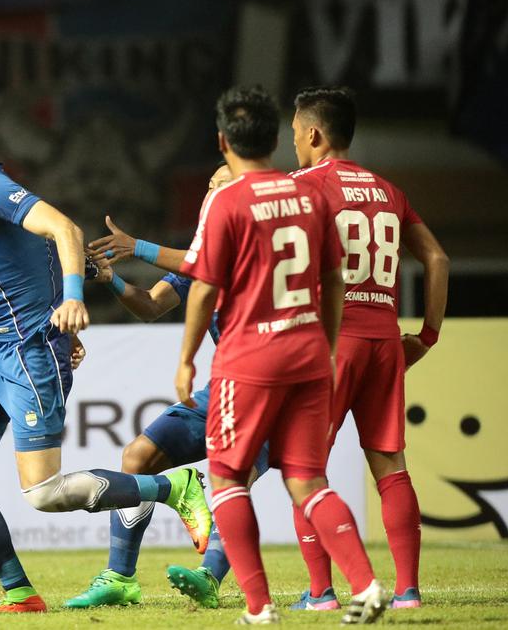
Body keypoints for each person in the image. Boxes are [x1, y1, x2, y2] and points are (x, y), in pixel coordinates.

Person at [0, 88, 212, 614]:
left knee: (44, 494)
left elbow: (63, 230)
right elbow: (34, 255)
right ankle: (21, 593)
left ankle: (173, 488)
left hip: (24, 354)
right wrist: (54, 303)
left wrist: (73, 302)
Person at [175, 86, 386, 625]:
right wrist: (329, 343)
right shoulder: (310, 195)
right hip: (311, 354)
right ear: (273, 138)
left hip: (250, 359)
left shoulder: (227, 200)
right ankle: (366, 586)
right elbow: (335, 278)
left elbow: (201, 288)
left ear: (223, 140)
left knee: (225, 477)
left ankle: (259, 606)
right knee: (309, 480)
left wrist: (186, 358)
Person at [65, 164, 268, 611]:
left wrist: (135, 245)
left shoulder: (256, 241)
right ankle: (120, 578)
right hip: (221, 389)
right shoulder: (199, 253)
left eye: (223, 186)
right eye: (210, 185)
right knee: (138, 456)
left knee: (232, 481)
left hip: (270, 389)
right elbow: (151, 305)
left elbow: (205, 264)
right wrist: (112, 279)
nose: (212, 193)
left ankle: (210, 577)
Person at [288, 86, 449, 611]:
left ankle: (321, 593)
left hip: (332, 342)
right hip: (385, 338)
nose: (293, 143)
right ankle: (408, 591)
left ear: (313, 133)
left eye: (294, 133)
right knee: (392, 467)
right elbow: (438, 260)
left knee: (304, 468)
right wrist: (425, 336)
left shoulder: (303, 188)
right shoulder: (386, 190)